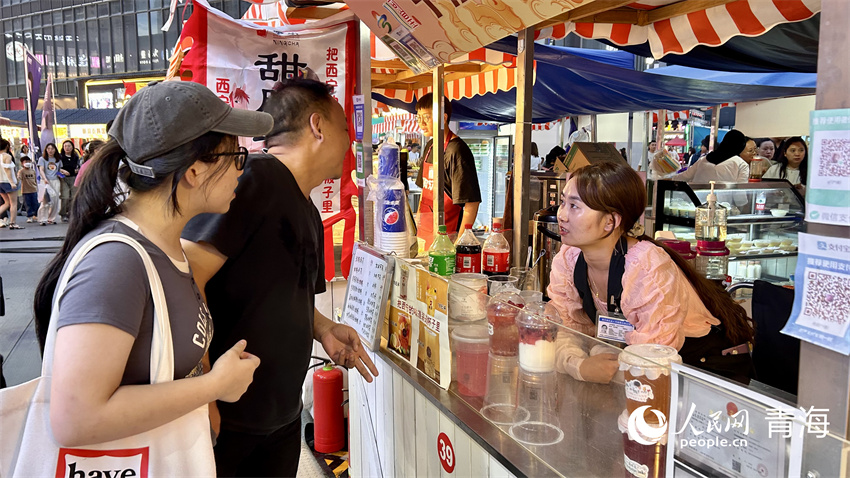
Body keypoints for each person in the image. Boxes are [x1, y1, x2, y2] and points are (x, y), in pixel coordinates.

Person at [31, 81, 271, 456]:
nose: (242, 170)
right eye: (236, 157)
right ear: (194, 171)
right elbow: (75, 420)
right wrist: (214, 387)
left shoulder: (165, 244)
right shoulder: (116, 263)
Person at [181, 79, 379, 477]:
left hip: (279, 416)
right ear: (318, 126)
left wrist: (323, 329)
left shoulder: (305, 206)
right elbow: (186, 278)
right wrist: (203, 394)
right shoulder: (252, 179)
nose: (348, 142)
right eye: (345, 129)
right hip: (231, 418)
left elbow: (286, 295)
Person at [549, 161, 754, 385]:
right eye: (562, 202)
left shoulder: (645, 266)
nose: (561, 215)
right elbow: (564, 328)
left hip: (706, 371)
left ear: (611, 221)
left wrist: (594, 361)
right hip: (639, 373)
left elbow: (653, 360)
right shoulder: (570, 258)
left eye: (574, 206)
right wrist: (578, 365)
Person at [414, 93, 481, 248]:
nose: (421, 123)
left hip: (449, 237)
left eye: (427, 117)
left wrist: (459, 244)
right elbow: (425, 191)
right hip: (425, 234)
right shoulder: (430, 146)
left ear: (443, 118)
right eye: (418, 118)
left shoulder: (457, 150)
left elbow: (471, 203)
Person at [671, 129, 749, 183]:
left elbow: (685, 176)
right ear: (741, 147)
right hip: (724, 205)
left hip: (696, 203)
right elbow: (739, 197)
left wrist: (667, 179)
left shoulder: (703, 159)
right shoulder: (741, 164)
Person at [37, 142, 62, 225]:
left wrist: (62, 173)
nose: (50, 150)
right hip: (45, 181)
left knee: (55, 201)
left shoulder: (58, 160)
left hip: (55, 181)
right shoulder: (42, 159)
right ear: (46, 150)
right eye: (48, 149)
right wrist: (45, 178)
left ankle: (51, 218)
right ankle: (42, 219)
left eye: (52, 149)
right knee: (45, 201)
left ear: (55, 150)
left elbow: (58, 171)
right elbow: (41, 170)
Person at [0, 139, 22, 229]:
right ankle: (13, 223)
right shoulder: (7, 156)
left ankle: (12, 222)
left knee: (7, 203)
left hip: (0, 182)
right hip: (8, 182)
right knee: (13, 203)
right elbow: (7, 169)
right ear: (7, 146)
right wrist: (12, 182)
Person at [58, 139, 81, 222]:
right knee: (65, 196)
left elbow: (78, 166)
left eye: (69, 146)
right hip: (63, 178)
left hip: (74, 178)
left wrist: (77, 170)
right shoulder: (60, 157)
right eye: (65, 146)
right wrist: (62, 171)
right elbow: (56, 168)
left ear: (72, 147)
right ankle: (63, 213)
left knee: (73, 196)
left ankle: (71, 213)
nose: (67, 148)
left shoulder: (75, 157)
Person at [17, 156, 38, 223]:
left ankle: (35, 215)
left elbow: (35, 180)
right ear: (22, 163)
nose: (27, 163)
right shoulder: (21, 171)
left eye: (28, 162)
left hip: (34, 189)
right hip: (25, 191)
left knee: (35, 203)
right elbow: (19, 178)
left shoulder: (33, 171)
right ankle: (29, 216)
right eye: (25, 162)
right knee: (27, 204)